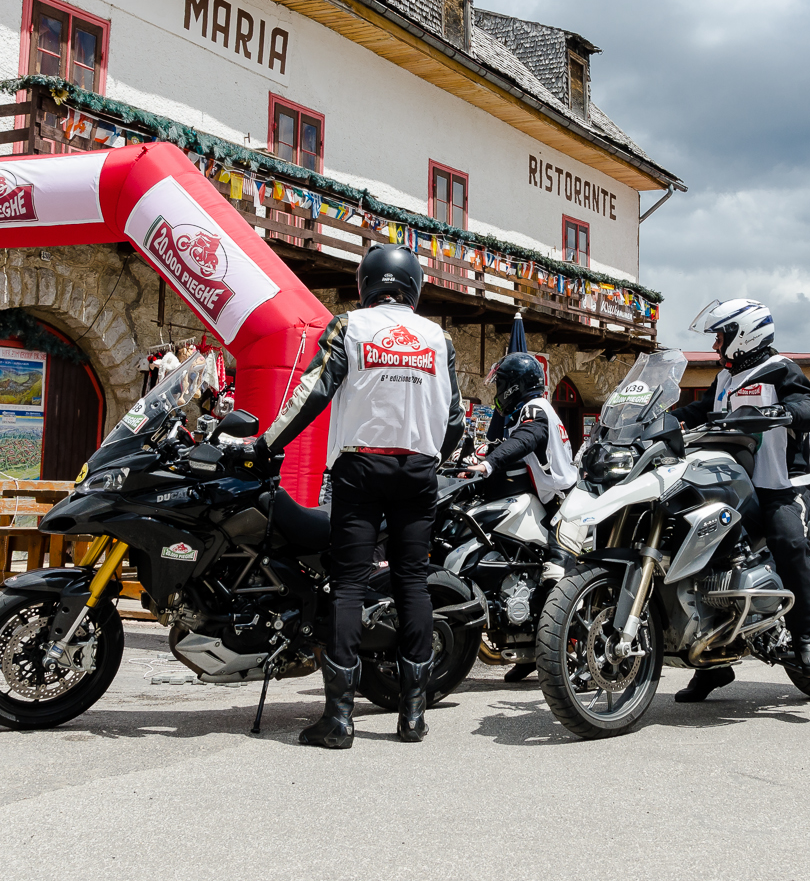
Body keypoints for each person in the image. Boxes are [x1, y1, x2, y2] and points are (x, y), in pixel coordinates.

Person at [247, 244, 464, 749]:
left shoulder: (350, 326)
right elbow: (453, 417)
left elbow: (314, 391)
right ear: (413, 286)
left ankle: (339, 720)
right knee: (412, 582)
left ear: (367, 283)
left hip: (360, 467)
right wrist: (436, 457)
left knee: (348, 583)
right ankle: (413, 717)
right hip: (419, 470)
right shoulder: (439, 338)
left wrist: (266, 445)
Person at [667, 298, 810, 701]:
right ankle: (713, 663)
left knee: (789, 543)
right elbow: (700, 410)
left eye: (721, 336)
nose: (717, 345)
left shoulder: (780, 370)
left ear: (745, 335)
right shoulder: (725, 380)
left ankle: (806, 637)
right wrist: (661, 420)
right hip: (734, 486)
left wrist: (785, 412)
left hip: (779, 486)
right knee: (704, 559)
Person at [469, 351, 579, 682]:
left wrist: (489, 463)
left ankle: (574, 657)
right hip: (548, 501)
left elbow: (527, 439)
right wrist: (476, 456)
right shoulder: (523, 412)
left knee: (556, 576)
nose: (498, 391)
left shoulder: (535, 409)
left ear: (517, 386)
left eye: (502, 384)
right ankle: (529, 648)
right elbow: (512, 442)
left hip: (566, 504)